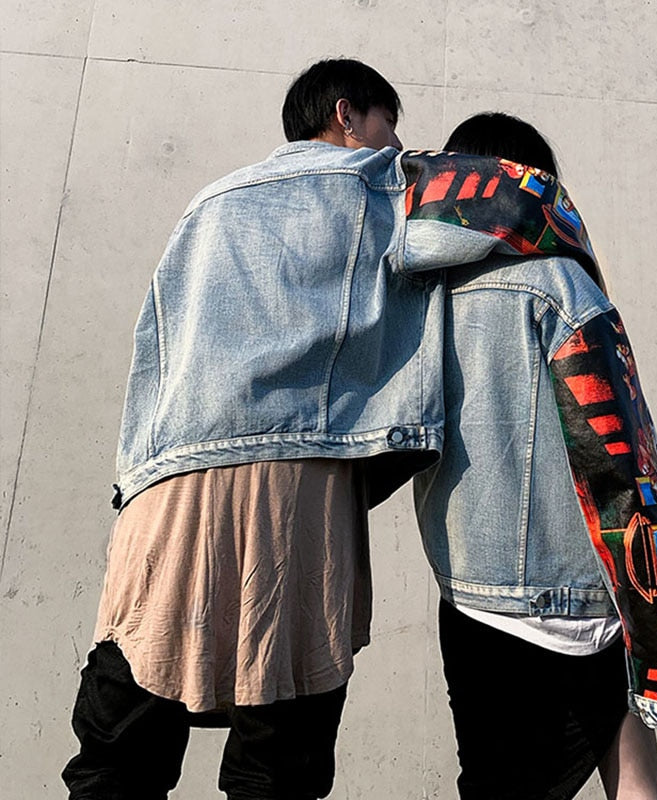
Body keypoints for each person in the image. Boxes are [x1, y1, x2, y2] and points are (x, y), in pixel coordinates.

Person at [61, 58, 418, 800]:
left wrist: (134, 476)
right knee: (278, 760)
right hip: (295, 487)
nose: (396, 142)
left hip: (167, 486)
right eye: (389, 123)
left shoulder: (209, 202)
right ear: (347, 116)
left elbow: (154, 350)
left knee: (120, 748)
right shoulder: (388, 186)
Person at [412, 113, 657, 799]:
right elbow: (620, 453)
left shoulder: (417, 292)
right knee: (633, 770)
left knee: (496, 781)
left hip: (472, 591)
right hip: (583, 591)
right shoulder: (561, 281)